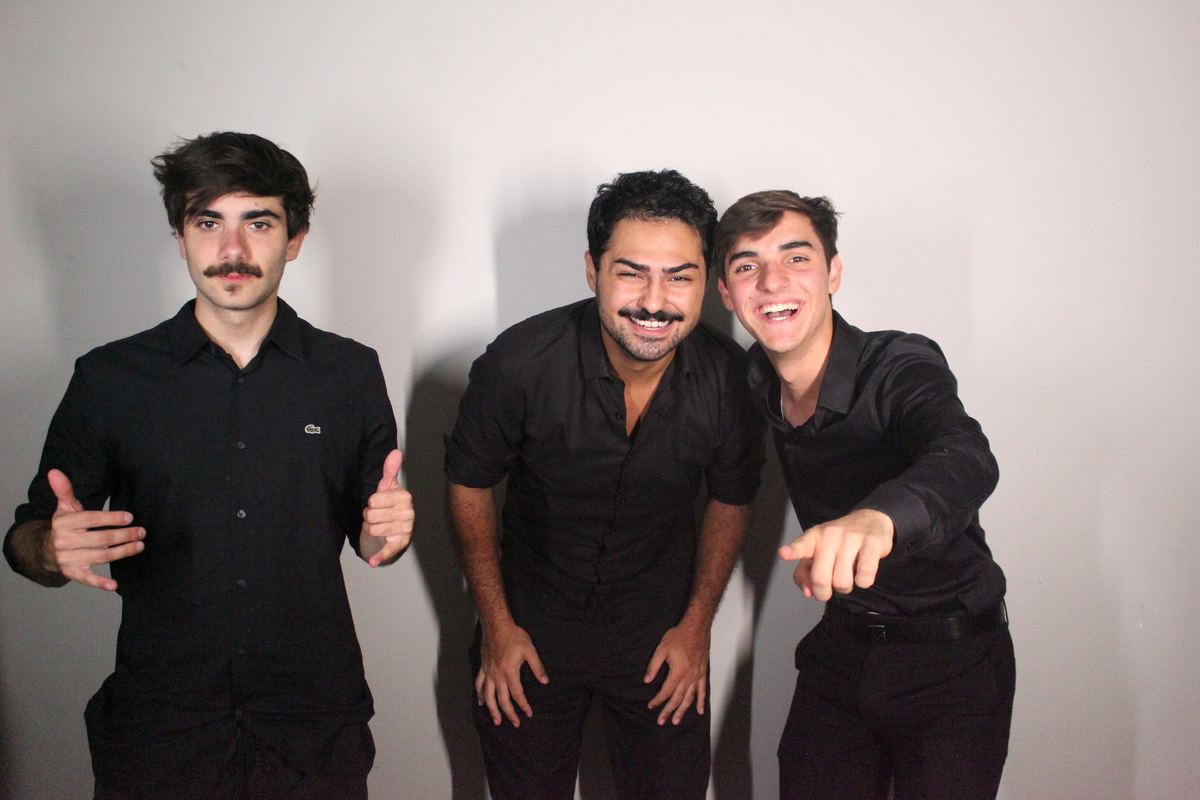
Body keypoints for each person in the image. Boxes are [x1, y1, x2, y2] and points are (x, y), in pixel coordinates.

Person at [3, 132, 414, 800]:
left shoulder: (349, 372)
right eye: (207, 222)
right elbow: (24, 539)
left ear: (295, 239)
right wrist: (49, 546)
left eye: (259, 223)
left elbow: (372, 540)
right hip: (161, 730)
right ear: (180, 237)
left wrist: (387, 536)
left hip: (312, 725)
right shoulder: (110, 377)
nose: (233, 250)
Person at [445, 170, 766, 800]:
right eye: (631, 273)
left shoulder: (732, 379)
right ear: (593, 270)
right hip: (529, 632)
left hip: (660, 638)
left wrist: (696, 627)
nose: (655, 301)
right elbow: (468, 483)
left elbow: (732, 497)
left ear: (708, 280)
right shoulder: (518, 363)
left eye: (679, 276)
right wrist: (497, 627)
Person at [714, 191, 1014, 800]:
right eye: (747, 265)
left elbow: (965, 454)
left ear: (833, 273)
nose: (772, 281)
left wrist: (879, 519)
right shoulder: (751, 378)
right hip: (841, 649)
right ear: (726, 293)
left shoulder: (899, 363)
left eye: (796, 257)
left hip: (952, 659)